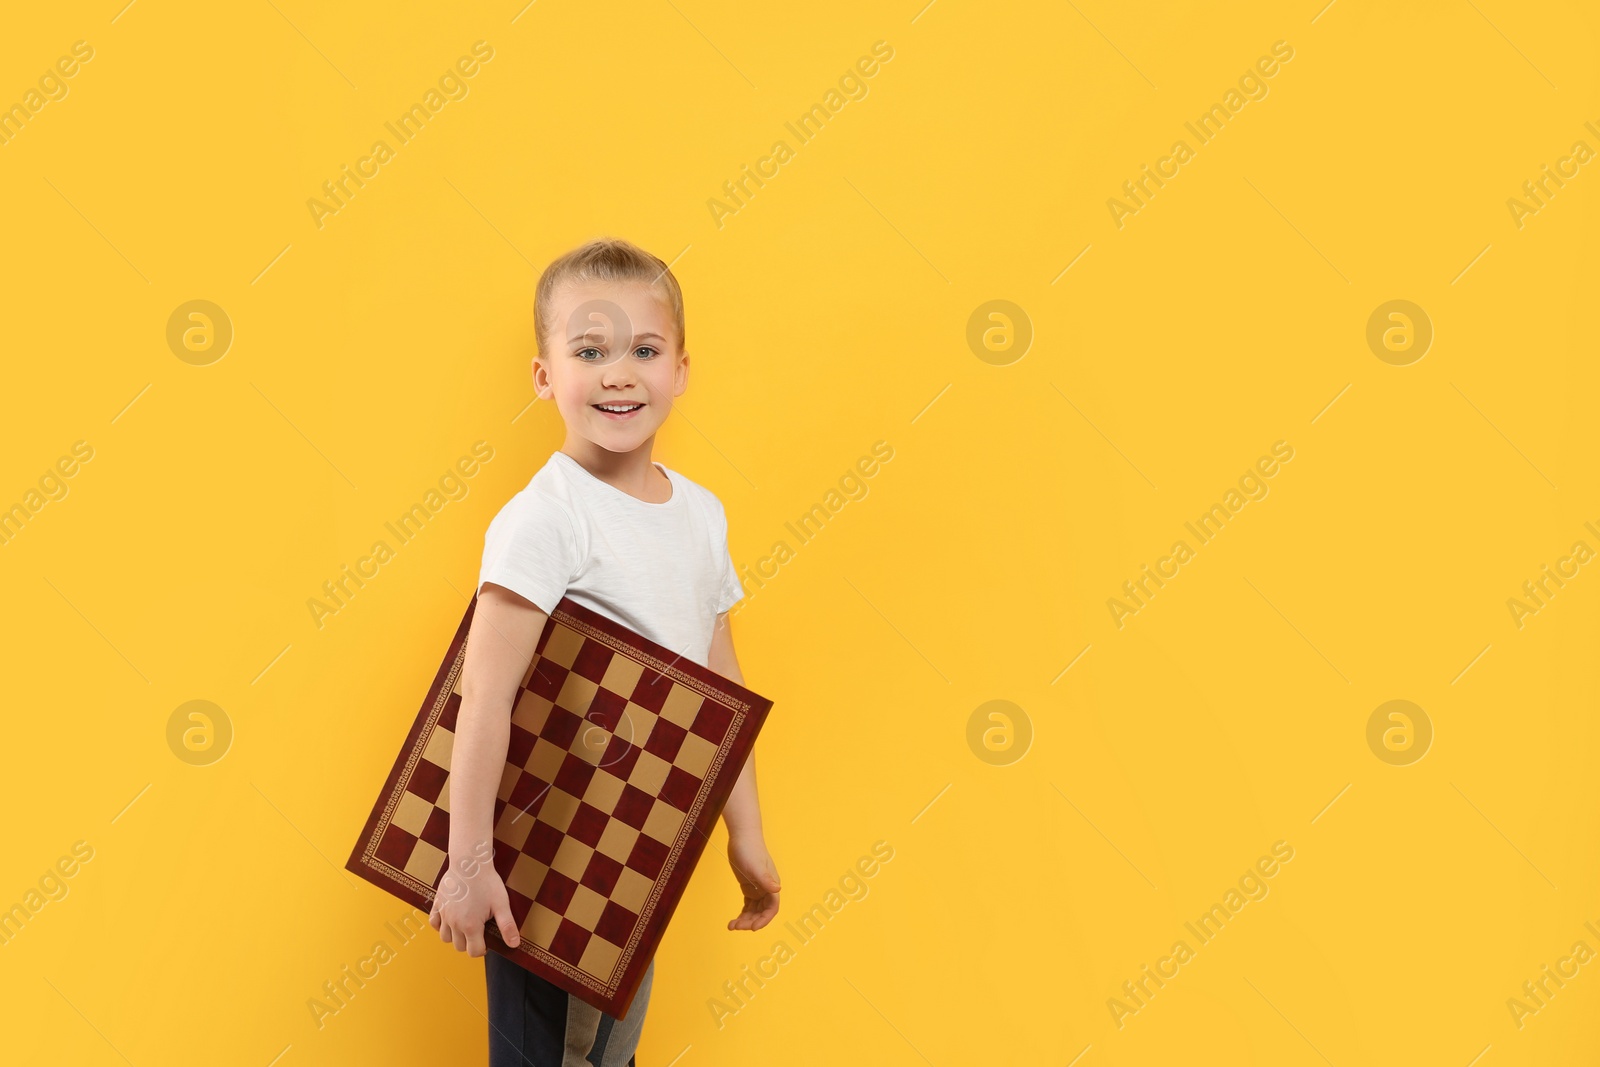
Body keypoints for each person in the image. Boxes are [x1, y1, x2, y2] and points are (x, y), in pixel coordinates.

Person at [428, 237, 781, 1066]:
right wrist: (468, 861)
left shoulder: (700, 515)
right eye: (590, 351)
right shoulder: (548, 518)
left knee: (606, 1057)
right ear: (546, 375)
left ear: (681, 370)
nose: (619, 373)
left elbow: (719, 687)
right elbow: (485, 697)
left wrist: (746, 834)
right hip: (547, 856)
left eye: (644, 350)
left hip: (640, 855)